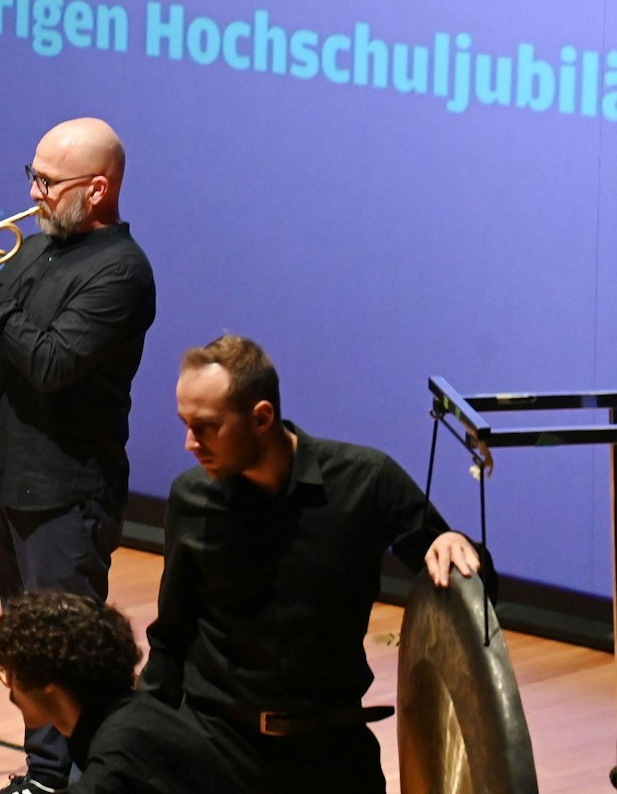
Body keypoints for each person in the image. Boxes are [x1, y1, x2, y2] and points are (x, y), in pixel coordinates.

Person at [143, 334, 489, 794]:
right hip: (218, 750)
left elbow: (472, 597)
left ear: (261, 417)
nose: (190, 443)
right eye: (185, 424)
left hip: (332, 751)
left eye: (206, 426)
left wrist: (454, 542)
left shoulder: (367, 481)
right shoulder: (191, 498)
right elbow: (171, 636)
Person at [0, 117, 156, 794]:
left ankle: (81, 780)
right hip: (12, 476)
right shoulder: (33, 250)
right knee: (32, 649)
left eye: (48, 183)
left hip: (69, 488)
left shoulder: (122, 271)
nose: (34, 194)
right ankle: (44, 775)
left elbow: (52, 361)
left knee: (70, 654)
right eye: (31, 176)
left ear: (97, 188)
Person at [0, 591, 244, 794]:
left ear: (48, 682)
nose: (10, 694)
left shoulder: (117, 759)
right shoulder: (128, 718)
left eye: (11, 676)